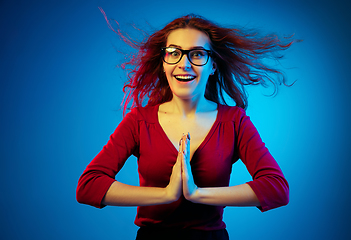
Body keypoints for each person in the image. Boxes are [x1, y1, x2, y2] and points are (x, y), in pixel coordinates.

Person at [77, 13, 296, 240]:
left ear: (212, 66)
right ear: (163, 63)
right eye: (173, 53)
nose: (184, 64)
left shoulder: (234, 121)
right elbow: (89, 186)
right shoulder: (139, 121)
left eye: (197, 54)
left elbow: (276, 190)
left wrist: (196, 194)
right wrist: (166, 194)